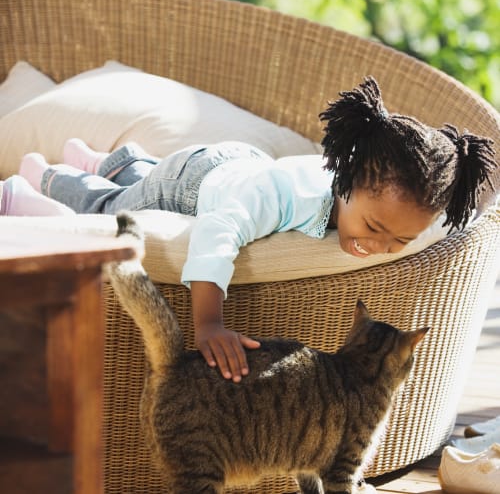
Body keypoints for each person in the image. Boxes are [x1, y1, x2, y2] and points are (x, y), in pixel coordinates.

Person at [12, 76, 496, 382]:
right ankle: (48, 179)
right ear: (345, 183)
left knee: (145, 176)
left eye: (400, 242)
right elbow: (216, 235)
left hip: (243, 166)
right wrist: (208, 323)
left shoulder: (373, 199)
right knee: (117, 205)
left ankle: (108, 160)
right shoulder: (282, 200)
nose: (380, 245)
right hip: (196, 182)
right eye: (373, 226)